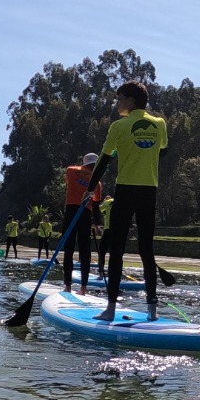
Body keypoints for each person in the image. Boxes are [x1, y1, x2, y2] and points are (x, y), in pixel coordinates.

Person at [91, 80, 168, 321]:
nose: (116, 104)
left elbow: (103, 160)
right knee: (147, 250)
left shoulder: (119, 126)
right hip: (149, 192)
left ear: (130, 102)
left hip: (126, 190)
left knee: (117, 251)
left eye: (119, 99)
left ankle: (111, 308)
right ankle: (152, 310)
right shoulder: (159, 124)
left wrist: (90, 189)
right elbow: (162, 150)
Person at [60, 152, 102, 293]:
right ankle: (83, 288)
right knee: (85, 251)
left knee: (69, 249)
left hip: (71, 211)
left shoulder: (71, 170)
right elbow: (96, 205)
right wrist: (96, 224)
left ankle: (68, 286)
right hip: (86, 213)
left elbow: (69, 185)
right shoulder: (98, 182)